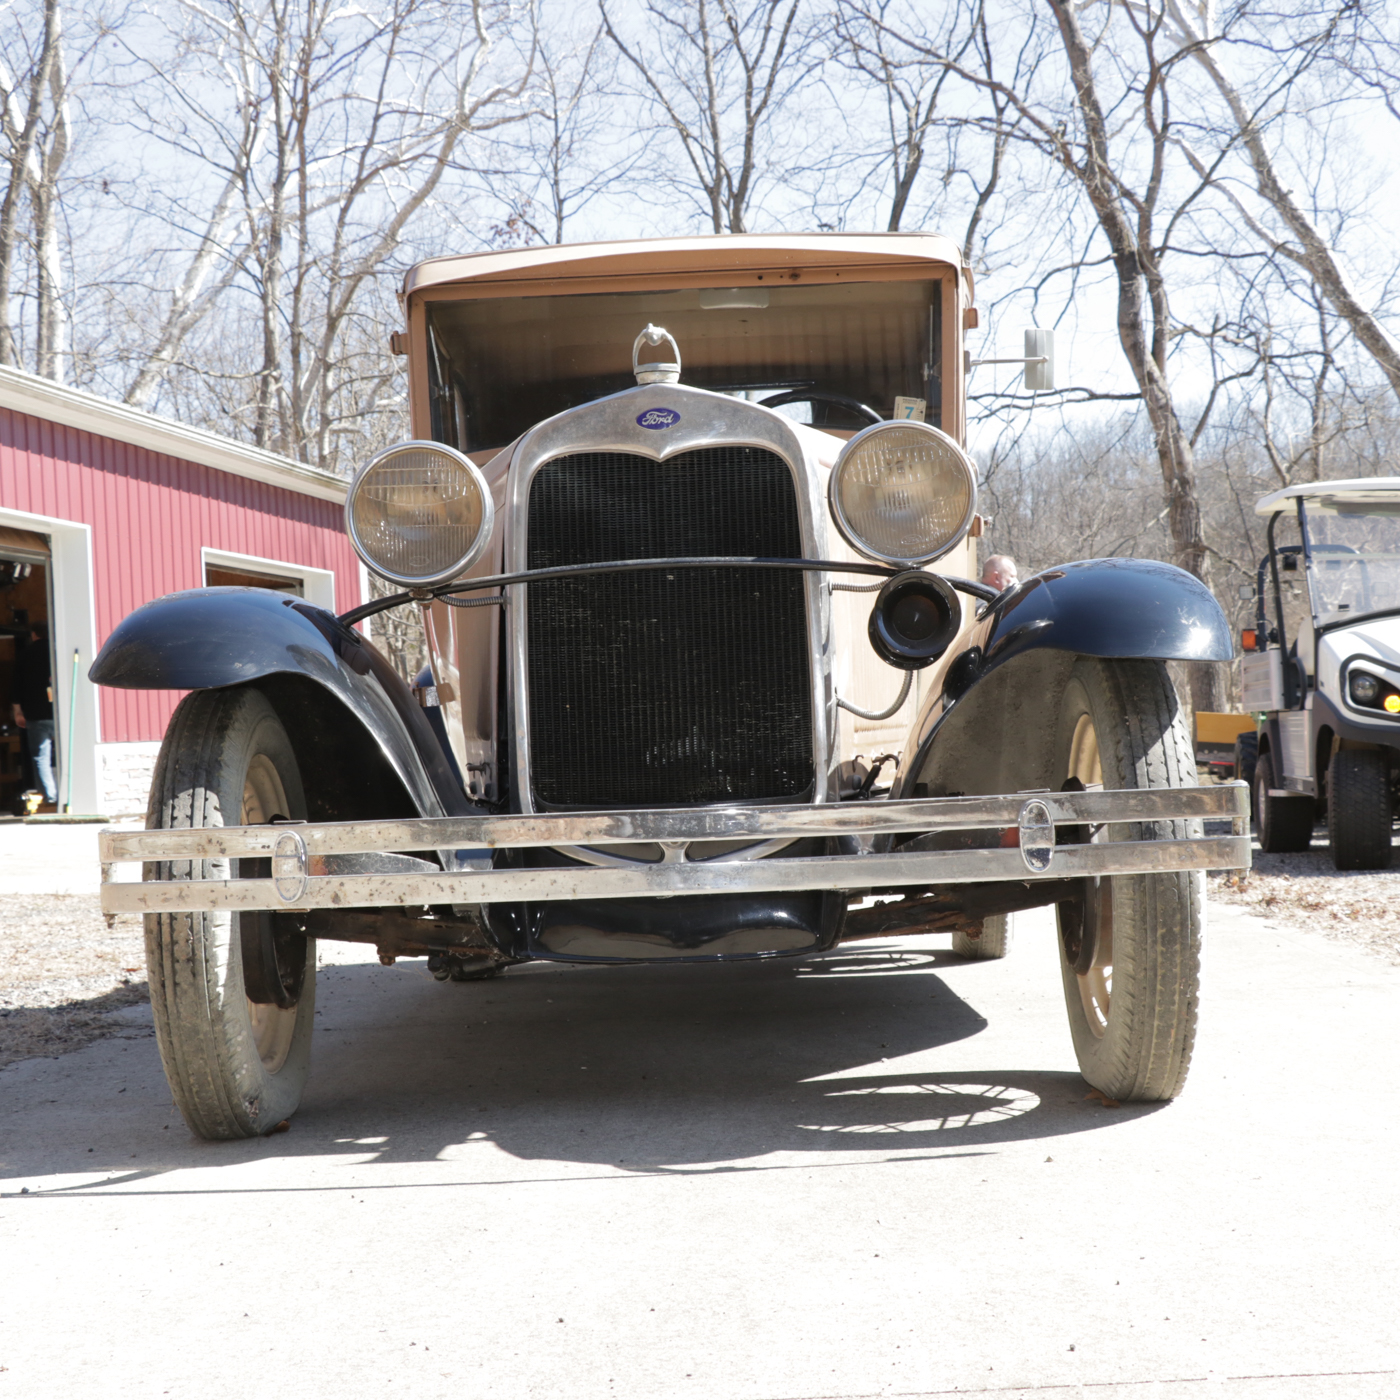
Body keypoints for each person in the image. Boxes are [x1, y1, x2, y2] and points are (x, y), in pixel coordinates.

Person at [12, 627, 56, 806]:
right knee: (63, 754)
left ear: (34, 634)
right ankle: (70, 792)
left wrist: (17, 711)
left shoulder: (24, 655)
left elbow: (16, 686)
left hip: (35, 714)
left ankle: (51, 796)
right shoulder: (56, 651)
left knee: (41, 757)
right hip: (58, 714)